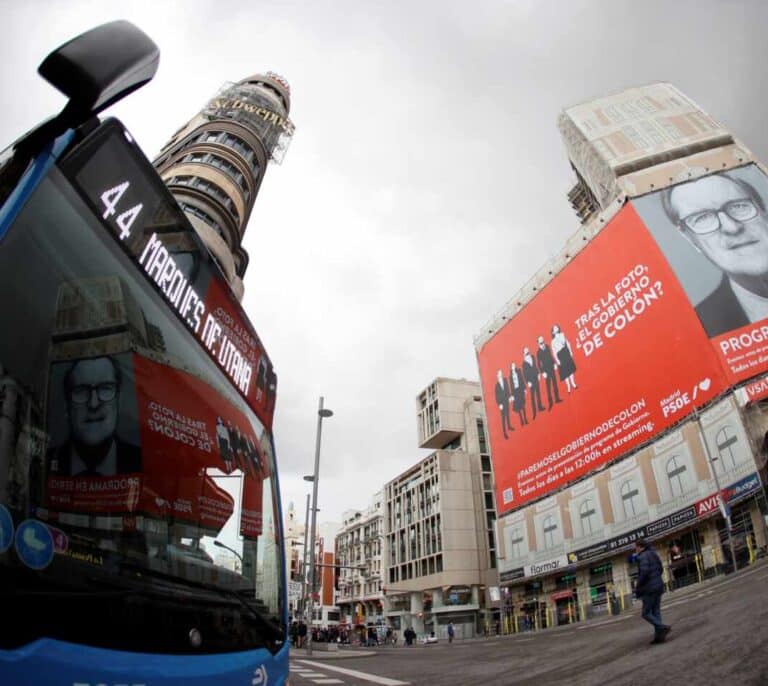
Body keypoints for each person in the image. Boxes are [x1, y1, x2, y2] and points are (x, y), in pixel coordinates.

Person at [661, 171, 768, 337]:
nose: (732, 227)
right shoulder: (699, 330)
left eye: (739, 206)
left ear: (763, 209)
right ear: (690, 239)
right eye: (702, 218)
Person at [48, 356, 140, 477]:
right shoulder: (44, 464)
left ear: (119, 401)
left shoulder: (142, 463)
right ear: (66, 405)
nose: (93, 403)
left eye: (105, 388)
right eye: (81, 391)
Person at [633, 538, 671, 644]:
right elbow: (660, 568)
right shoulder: (653, 553)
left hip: (649, 589)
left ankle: (662, 627)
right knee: (656, 611)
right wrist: (656, 579)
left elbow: (644, 572)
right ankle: (659, 637)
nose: (634, 549)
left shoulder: (642, 556)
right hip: (658, 585)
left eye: (635, 547)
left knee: (645, 613)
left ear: (640, 547)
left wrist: (639, 584)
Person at [536, 335, 562, 410]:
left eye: (543, 342)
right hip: (546, 371)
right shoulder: (538, 353)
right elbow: (539, 364)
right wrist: (542, 372)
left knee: (555, 383)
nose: (542, 343)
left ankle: (557, 398)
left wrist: (554, 364)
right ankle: (550, 402)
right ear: (538, 343)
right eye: (541, 343)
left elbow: (551, 356)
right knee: (548, 387)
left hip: (551, 368)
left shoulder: (547, 347)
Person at [551, 324, 577, 392]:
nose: (556, 328)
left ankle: (573, 383)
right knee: (565, 372)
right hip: (560, 355)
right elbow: (554, 352)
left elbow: (567, 343)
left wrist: (570, 351)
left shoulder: (562, 334)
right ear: (553, 331)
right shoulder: (552, 341)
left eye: (556, 327)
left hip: (565, 352)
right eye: (554, 328)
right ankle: (568, 387)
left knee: (570, 369)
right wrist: (557, 360)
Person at [522, 347, 545, 419]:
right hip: (530, 381)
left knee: (538, 393)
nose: (527, 353)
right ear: (523, 354)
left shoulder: (532, 357)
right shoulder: (524, 363)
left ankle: (540, 407)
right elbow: (525, 374)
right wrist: (528, 382)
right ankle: (534, 412)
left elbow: (535, 366)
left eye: (528, 351)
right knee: (532, 396)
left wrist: (538, 374)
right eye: (526, 352)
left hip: (535, 377)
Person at [494, 369, 514, 439]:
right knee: (503, 417)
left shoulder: (505, 380)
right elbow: (496, 396)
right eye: (499, 374)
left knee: (508, 414)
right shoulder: (496, 385)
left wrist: (510, 396)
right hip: (502, 403)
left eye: (501, 374)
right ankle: (504, 432)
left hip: (506, 401)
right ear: (497, 376)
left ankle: (509, 426)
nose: (500, 375)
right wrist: (499, 404)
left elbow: (508, 389)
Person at [509, 362, 528, 427]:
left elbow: (522, 380)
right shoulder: (510, 376)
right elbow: (511, 386)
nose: (513, 366)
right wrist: (512, 395)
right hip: (515, 392)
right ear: (511, 367)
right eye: (512, 366)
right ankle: (522, 421)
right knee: (519, 407)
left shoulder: (519, 371)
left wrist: (525, 388)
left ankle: (525, 419)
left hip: (520, 390)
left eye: (514, 365)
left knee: (523, 405)